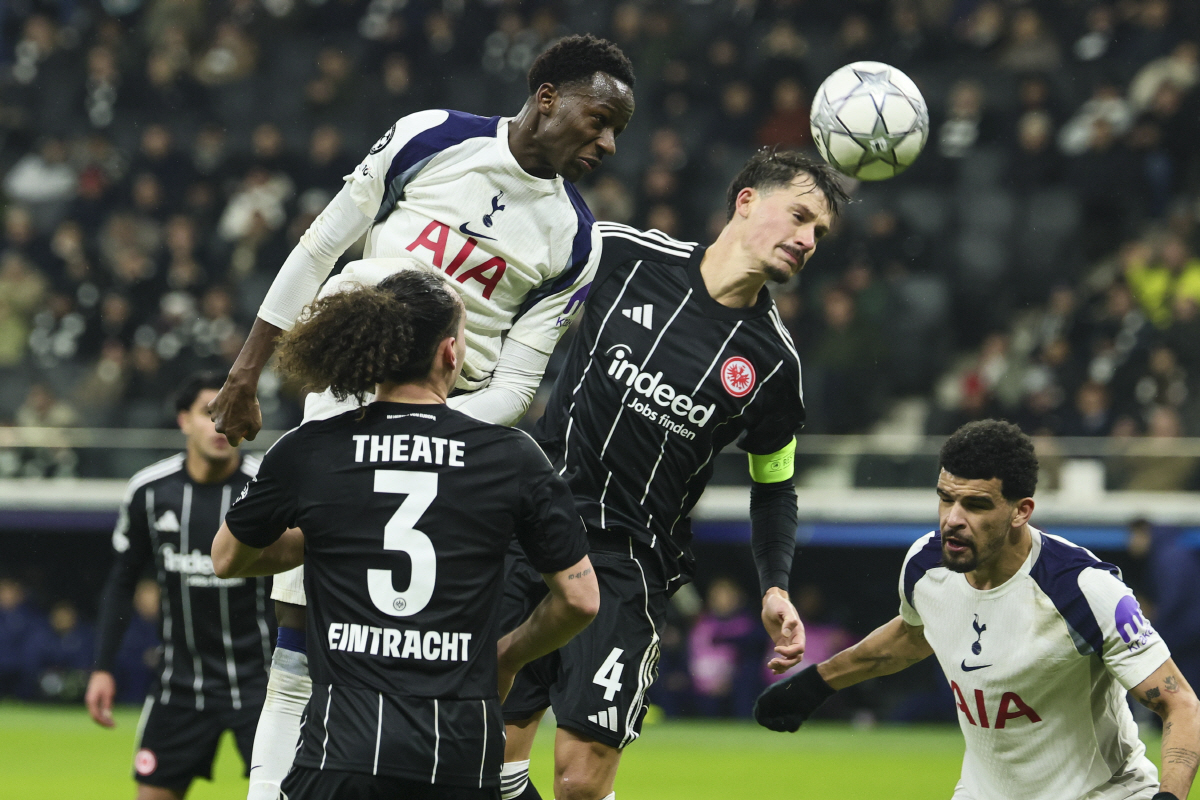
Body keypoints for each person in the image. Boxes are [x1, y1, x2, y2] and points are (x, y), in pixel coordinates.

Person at [206, 34, 634, 800]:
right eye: (599, 119)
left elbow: (516, 382)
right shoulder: (430, 136)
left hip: (457, 439)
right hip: (346, 405)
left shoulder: (577, 239)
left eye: (616, 132)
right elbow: (321, 247)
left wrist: (432, 428)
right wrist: (248, 369)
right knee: (301, 651)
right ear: (547, 99)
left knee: (417, 650)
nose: (606, 143)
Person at [500, 149, 849, 800]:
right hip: (531, 531)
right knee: (489, 761)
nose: (807, 240)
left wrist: (775, 586)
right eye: (800, 217)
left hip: (628, 565)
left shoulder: (774, 366)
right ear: (746, 200)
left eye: (819, 233)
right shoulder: (622, 256)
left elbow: (775, 487)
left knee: (579, 782)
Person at [210, 270, 600, 799]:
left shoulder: (310, 449)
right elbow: (580, 599)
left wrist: (329, 534)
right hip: (460, 755)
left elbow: (227, 557)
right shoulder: (511, 458)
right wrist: (507, 656)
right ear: (450, 354)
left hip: (341, 754)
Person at [754, 419, 1200, 800]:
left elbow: (1181, 705)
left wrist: (1169, 796)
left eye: (976, 504)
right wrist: (817, 683)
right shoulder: (925, 566)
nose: (952, 518)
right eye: (946, 498)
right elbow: (912, 635)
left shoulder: (1084, 589)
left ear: (1021, 511)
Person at [85, 372, 273, 800]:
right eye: (209, 413)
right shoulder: (150, 492)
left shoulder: (267, 487)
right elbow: (121, 582)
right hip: (180, 685)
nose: (220, 425)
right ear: (183, 420)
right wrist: (102, 667)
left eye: (229, 413)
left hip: (263, 686)